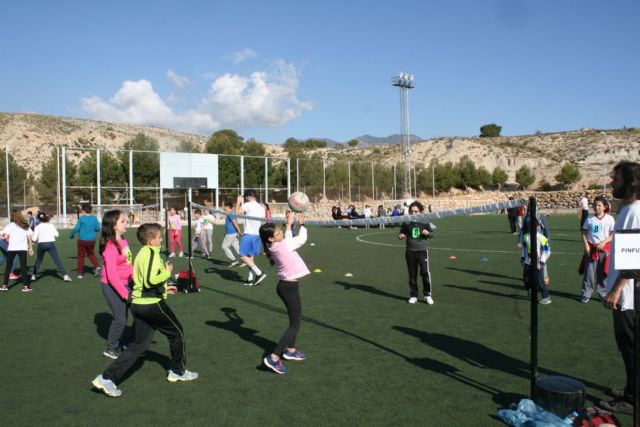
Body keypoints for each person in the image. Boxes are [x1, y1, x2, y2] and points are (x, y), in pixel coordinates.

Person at [91, 223, 198, 398]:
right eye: (158, 237)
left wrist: (163, 290)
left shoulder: (145, 253)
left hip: (141, 303)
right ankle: (178, 371)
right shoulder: (150, 255)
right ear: (150, 241)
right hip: (149, 305)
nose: (161, 239)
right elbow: (149, 280)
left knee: (138, 345)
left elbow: (141, 281)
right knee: (176, 332)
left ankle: (106, 378)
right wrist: (167, 273)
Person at [597, 161, 640, 415]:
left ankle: (633, 398)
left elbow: (632, 258)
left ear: (631, 182)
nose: (612, 183)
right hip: (625, 290)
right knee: (629, 346)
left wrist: (616, 290)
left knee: (630, 345)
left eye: (616, 179)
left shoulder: (634, 211)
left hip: (628, 294)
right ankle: (630, 390)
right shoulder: (628, 209)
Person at [259, 211, 310, 375]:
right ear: (271, 238)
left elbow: (287, 239)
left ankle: (291, 350)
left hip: (285, 286)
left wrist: (288, 225)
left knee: (294, 320)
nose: (281, 233)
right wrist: (302, 225)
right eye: (278, 232)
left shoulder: (274, 245)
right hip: (289, 288)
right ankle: (273, 357)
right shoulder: (283, 245)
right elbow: (300, 239)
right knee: (295, 325)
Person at [99, 210, 134, 360]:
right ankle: (111, 348)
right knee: (120, 319)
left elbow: (128, 263)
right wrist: (125, 293)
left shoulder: (123, 240)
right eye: (123, 221)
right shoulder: (110, 247)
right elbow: (112, 276)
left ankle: (129, 344)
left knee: (139, 314)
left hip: (128, 283)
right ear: (114, 225)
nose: (126, 223)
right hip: (112, 286)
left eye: (126, 221)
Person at [578, 196, 614, 303]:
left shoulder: (610, 219)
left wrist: (604, 242)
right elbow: (584, 233)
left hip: (604, 250)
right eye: (595, 205)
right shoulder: (589, 218)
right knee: (589, 273)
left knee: (603, 273)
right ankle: (586, 293)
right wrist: (587, 247)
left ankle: (602, 293)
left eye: (599, 205)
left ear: (605, 207)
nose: (596, 207)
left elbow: (613, 234)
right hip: (591, 249)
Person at [398, 201, 434, 305]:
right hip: (410, 251)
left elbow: (431, 234)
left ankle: (427, 295)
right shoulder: (407, 222)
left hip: (422, 251)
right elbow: (401, 233)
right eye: (412, 211)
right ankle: (414, 295)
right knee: (412, 274)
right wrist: (401, 236)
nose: (414, 213)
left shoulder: (425, 221)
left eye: (416, 211)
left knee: (425, 273)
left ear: (421, 212)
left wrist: (428, 233)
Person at [236, 190, 267, 286]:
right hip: (257, 235)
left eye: (246, 196)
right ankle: (250, 279)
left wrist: (238, 202)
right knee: (250, 257)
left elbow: (236, 213)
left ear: (249, 196)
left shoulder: (247, 205)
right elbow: (263, 222)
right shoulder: (261, 207)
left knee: (242, 255)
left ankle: (259, 273)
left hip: (249, 234)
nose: (245, 198)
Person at [31, 213, 72, 282]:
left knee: (38, 260)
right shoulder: (50, 225)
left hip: (41, 245)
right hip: (50, 244)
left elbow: (34, 239)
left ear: (38, 219)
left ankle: (33, 276)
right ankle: (65, 275)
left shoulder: (37, 227)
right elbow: (57, 235)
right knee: (57, 260)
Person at [1, 210, 34, 292]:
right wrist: (30, 248)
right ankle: (25, 286)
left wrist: (9, 241)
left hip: (12, 248)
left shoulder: (10, 225)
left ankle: (4, 286)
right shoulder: (25, 225)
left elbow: (5, 237)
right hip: (22, 249)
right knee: (23, 267)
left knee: (8, 267)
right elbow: (30, 237)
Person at [521, 218, 552, 305]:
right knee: (526, 279)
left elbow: (547, 251)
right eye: (530, 226)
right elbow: (524, 248)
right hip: (528, 262)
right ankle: (530, 289)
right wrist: (523, 257)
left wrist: (541, 262)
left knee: (540, 281)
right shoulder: (525, 237)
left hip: (538, 263)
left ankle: (546, 297)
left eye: (533, 227)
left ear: (538, 227)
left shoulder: (542, 238)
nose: (531, 228)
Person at [70, 203, 101, 278]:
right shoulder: (94, 218)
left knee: (81, 256)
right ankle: (97, 267)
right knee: (91, 254)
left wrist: (71, 235)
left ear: (83, 210)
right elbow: (98, 228)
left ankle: (80, 273)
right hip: (92, 240)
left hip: (82, 240)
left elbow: (76, 228)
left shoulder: (81, 219)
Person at [221, 201, 242, 267]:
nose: (224, 208)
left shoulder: (231, 213)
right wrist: (225, 234)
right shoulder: (231, 212)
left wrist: (239, 231)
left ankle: (233, 260)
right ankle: (244, 260)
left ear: (227, 207)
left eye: (225, 206)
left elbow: (234, 222)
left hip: (231, 233)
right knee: (236, 247)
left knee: (224, 246)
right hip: (231, 233)